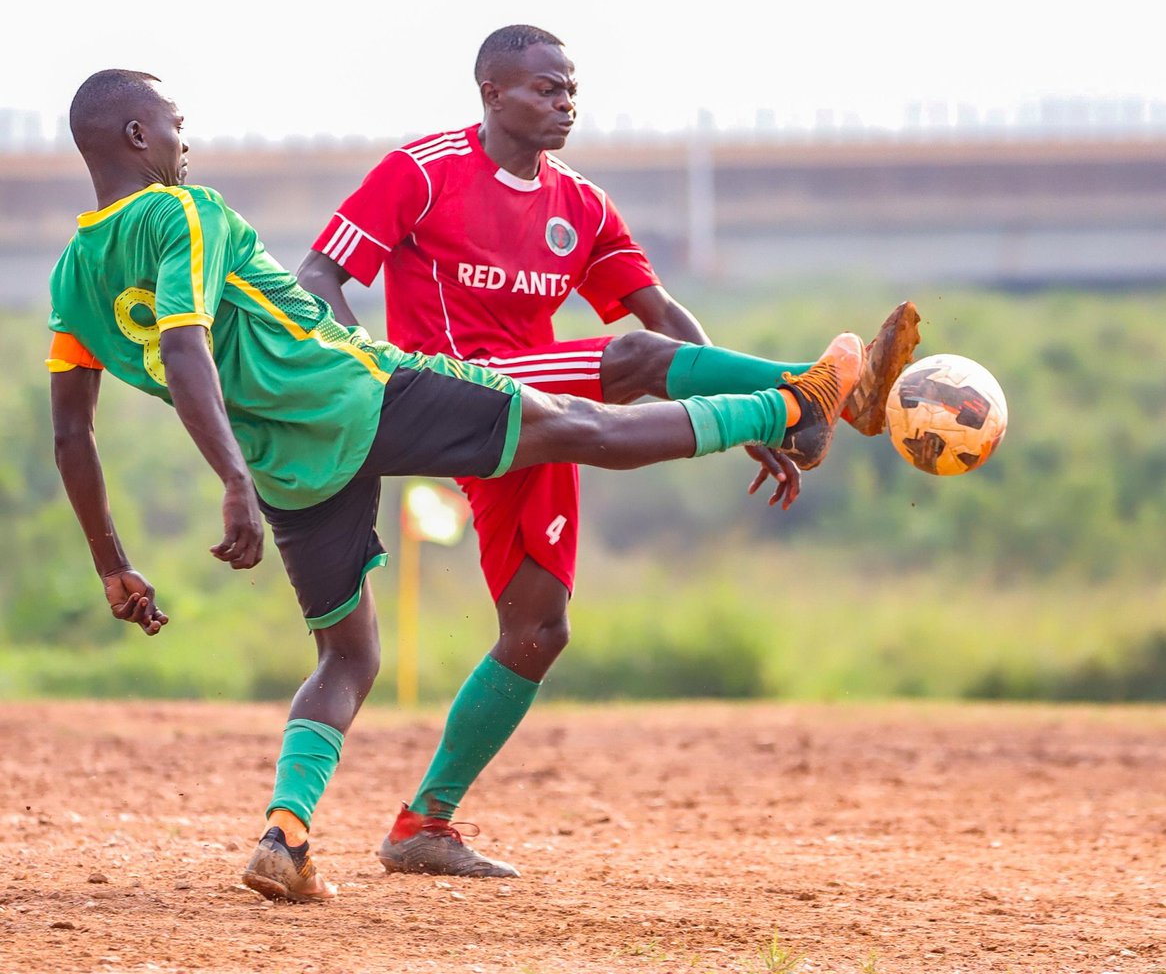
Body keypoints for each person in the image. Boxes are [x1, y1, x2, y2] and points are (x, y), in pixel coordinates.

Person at [49, 69, 878, 903]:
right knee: (587, 424)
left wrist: (113, 562)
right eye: (175, 123)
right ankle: (791, 400)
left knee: (350, 654)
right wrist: (228, 476)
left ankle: (287, 835)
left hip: (289, 465)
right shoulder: (185, 212)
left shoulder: (70, 282)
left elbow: (72, 432)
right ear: (136, 136)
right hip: (366, 394)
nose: (185, 141)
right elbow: (192, 343)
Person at [298, 25, 922, 879]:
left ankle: (423, 825)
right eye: (546, 88)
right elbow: (319, 276)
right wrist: (354, 369)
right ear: (492, 92)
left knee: (538, 628)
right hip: (449, 390)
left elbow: (660, 313)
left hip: (536, 413)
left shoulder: (581, 205)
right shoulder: (421, 171)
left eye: (571, 89)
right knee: (626, 361)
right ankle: (824, 391)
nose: (565, 103)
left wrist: (741, 417)